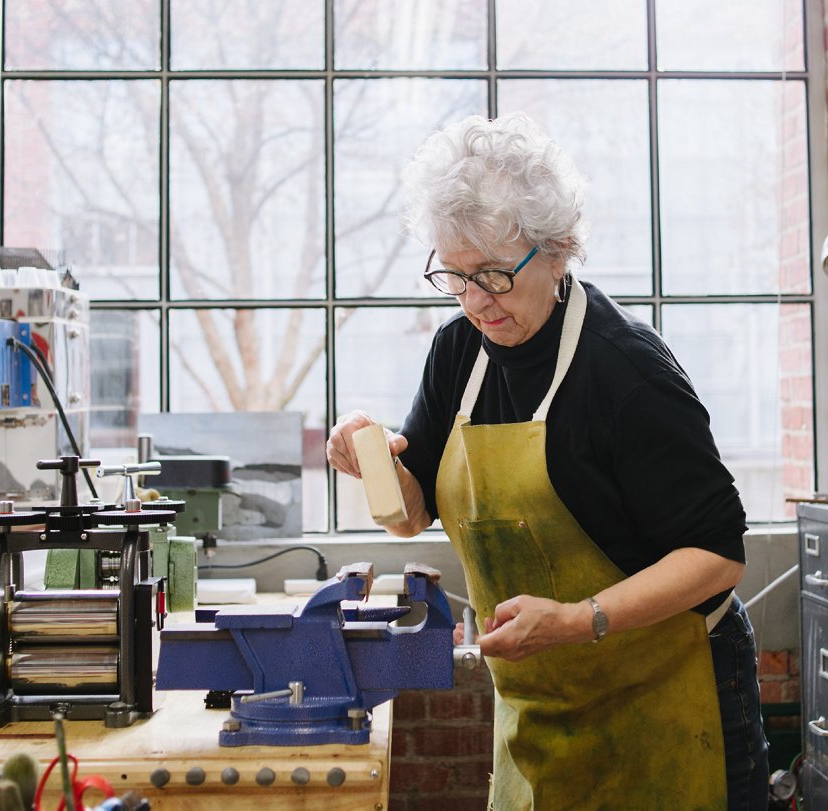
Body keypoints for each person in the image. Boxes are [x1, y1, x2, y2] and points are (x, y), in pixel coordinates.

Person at [326, 113, 769, 811]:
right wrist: (373, 459)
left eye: (496, 275)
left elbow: (716, 554)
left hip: (670, 689)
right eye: (456, 276)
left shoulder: (624, 370)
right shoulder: (456, 354)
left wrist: (574, 619)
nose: (476, 301)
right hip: (543, 702)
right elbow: (414, 514)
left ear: (558, 250)